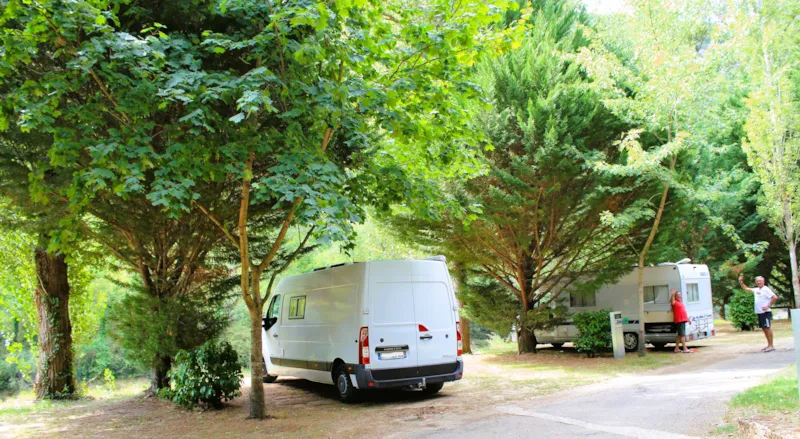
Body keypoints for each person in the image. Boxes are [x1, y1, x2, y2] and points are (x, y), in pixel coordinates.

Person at [738, 274, 778, 352]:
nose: (758, 282)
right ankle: (768, 345)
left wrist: (768, 306)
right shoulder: (756, 290)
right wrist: (740, 281)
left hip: (765, 312)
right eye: (757, 281)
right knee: (764, 328)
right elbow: (746, 289)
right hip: (760, 312)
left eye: (760, 281)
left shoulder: (766, 289)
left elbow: (775, 297)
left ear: (763, 281)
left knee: (767, 328)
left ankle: (771, 345)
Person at [670, 289, 691, 353]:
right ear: (675, 297)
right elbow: (672, 301)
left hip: (683, 320)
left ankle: (676, 348)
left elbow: (683, 312)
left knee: (679, 335)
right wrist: (672, 294)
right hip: (679, 321)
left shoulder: (680, 303)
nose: (680, 296)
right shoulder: (675, 302)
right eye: (678, 295)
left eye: (680, 295)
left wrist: (688, 319)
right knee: (682, 335)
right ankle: (684, 348)